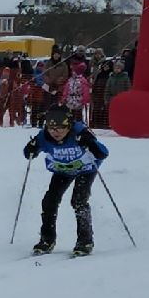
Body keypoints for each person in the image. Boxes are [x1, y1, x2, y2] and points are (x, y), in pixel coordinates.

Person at [22, 104, 109, 256]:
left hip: (86, 169)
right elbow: (27, 153)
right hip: (62, 170)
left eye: (60, 128)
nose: (56, 132)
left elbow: (102, 153)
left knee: (78, 200)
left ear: (69, 125)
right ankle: (47, 239)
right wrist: (31, 149)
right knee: (49, 200)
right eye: (51, 128)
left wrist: (90, 143)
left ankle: (85, 241)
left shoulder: (79, 133)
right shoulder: (44, 136)